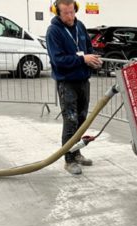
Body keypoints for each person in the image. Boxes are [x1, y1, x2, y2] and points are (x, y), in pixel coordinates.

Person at [46, 0, 102, 175]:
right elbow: (58, 60)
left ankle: (76, 153)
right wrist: (82, 59)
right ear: (57, 12)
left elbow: (88, 49)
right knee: (70, 121)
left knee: (81, 120)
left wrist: (93, 61)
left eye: (72, 12)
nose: (70, 16)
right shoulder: (53, 31)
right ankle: (68, 160)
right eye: (66, 13)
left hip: (83, 81)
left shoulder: (80, 26)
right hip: (67, 83)